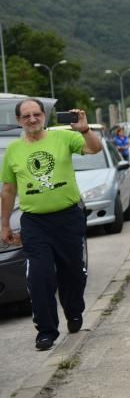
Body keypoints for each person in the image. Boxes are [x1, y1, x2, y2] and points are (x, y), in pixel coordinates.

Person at [1, 100, 102, 350]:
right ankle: (46, 331)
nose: (32, 119)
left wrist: (85, 130)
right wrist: (4, 224)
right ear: (19, 121)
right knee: (39, 276)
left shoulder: (64, 138)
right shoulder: (13, 151)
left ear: (44, 116)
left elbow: (95, 149)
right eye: (27, 116)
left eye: (36, 114)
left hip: (68, 217)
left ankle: (74, 310)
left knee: (73, 273)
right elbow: (8, 190)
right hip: (35, 222)